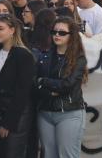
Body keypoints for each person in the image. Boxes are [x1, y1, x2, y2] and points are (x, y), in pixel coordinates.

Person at [36, 17, 88, 158]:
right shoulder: (44, 56)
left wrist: (44, 81)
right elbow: (34, 84)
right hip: (45, 112)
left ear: (72, 36)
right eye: (54, 32)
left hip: (69, 113)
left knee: (67, 155)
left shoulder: (78, 58)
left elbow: (67, 85)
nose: (57, 35)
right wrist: (48, 90)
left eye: (62, 33)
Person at [0, 15, 35, 158]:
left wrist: (8, 123)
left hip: (16, 114)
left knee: (12, 153)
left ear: (12, 30)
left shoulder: (24, 55)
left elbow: (22, 92)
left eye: (1, 29)